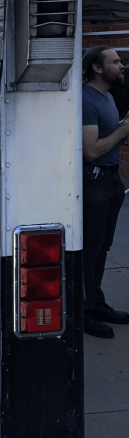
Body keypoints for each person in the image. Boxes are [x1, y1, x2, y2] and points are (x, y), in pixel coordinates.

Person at [82, 46, 129, 338]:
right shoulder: (87, 100)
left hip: (111, 182)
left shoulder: (108, 97)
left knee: (102, 248)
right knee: (89, 250)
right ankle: (84, 312)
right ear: (98, 68)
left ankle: (96, 304)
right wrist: (123, 131)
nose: (121, 65)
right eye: (116, 61)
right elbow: (90, 151)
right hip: (95, 181)